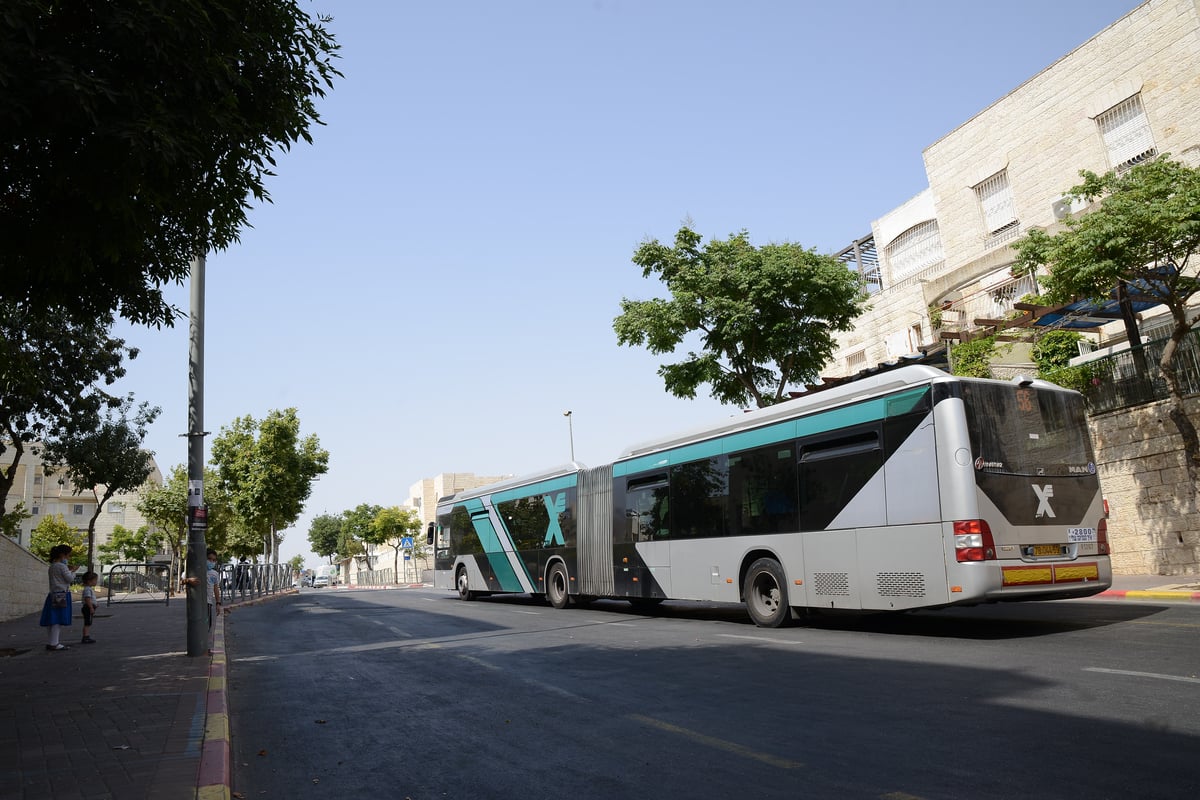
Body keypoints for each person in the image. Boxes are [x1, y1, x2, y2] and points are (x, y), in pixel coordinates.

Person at [39, 544, 79, 651]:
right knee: (57, 619)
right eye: (68, 555)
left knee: (51, 619)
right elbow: (69, 579)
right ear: (62, 555)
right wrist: (73, 571)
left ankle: (51, 641)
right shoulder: (62, 566)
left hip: (53, 593)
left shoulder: (52, 566)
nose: (69, 558)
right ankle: (54, 643)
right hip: (62, 594)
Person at [80, 571, 99, 644]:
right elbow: (87, 599)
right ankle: (85, 637)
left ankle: (86, 636)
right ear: (89, 581)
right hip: (87, 608)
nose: (96, 582)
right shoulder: (87, 589)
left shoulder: (89, 588)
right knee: (87, 623)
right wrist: (91, 607)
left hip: (88, 607)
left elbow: (90, 599)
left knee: (88, 623)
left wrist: (95, 604)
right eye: (95, 580)